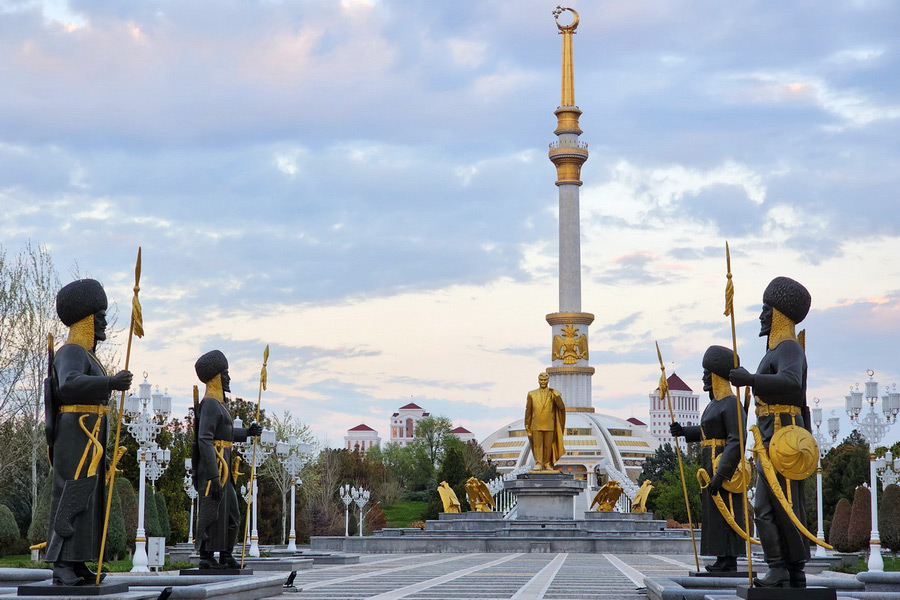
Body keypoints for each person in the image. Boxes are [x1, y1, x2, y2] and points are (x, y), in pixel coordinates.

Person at [46, 279, 133, 586]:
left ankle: (78, 560)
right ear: (86, 319)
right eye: (100, 316)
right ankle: (61, 563)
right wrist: (109, 383)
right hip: (75, 432)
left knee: (89, 496)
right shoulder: (71, 351)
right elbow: (68, 385)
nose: (104, 322)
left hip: (90, 434)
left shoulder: (89, 356)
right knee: (73, 492)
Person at [729, 276, 812, 588]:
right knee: (768, 506)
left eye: (766, 309)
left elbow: (791, 383)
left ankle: (787, 568)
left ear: (778, 313)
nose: (762, 316)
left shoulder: (789, 348)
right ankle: (784, 568)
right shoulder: (773, 352)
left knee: (779, 503)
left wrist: (751, 379)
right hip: (769, 436)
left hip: (783, 436)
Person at [670, 345, 746, 573]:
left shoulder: (731, 403)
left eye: (707, 373)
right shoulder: (714, 404)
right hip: (709, 465)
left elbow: (736, 440)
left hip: (724, 469)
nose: (703, 378)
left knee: (727, 511)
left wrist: (722, 473)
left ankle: (730, 558)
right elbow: (706, 431)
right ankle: (722, 558)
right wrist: (684, 431)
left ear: (717, 375)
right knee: (714, 514)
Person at [192, 350, 261, 569]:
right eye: (225, 374)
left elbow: (227, 435)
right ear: (215, 378)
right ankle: (206, 556)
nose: (228, 378)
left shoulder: (220, 405)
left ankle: (225, 554)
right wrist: (213, 475)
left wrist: (248, 433)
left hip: (224, 468)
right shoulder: (211, 404)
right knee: (212, 512)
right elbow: (204, 439)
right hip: (214, 470)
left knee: (231, 513)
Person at [524, 372, 566, 471]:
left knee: (548, 446)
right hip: (536, 424)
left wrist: (557, 396)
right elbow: (528, 411)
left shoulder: (554, 393)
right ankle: (538, 463)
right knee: (537, 446)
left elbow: (561, 407)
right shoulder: (532, 394)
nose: (543, 382)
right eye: (541, 380)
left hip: (549, 424)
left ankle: (547, 463)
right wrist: (527, 425)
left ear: (548, 381)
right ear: (538, 380)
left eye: (545, 380)